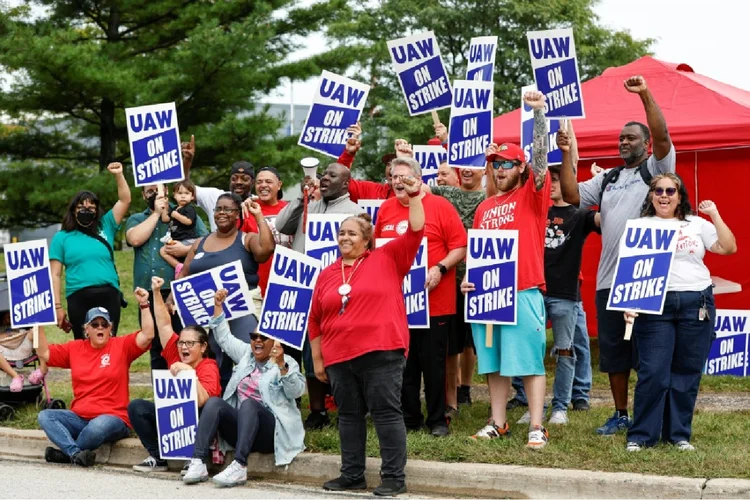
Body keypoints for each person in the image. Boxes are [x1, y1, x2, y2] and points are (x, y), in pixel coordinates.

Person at [559, 75, 676, 435]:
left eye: (631, 137)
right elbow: (571, 193)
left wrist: (644, 94)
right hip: (609, 280)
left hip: (645, 276)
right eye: (621, 138)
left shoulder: (655, 170)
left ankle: (653, 414)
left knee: (649, 355)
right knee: (614, 355)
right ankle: (621, 414)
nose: (624, 142)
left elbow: (663, 137)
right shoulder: (608, 178)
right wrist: (567, 153)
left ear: (645, 144)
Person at [309, 173, 425, 497]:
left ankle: (393, 478)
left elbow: (416, 229)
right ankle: (352, 474)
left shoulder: (388, 258)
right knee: (348, 416)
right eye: (341, 232)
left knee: (386, 413)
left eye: (352, 233)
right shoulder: (327, 274)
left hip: (381, 352)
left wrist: (414, 197)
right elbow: (315, 320)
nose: (345, 237)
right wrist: (319, 359)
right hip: (338, 358)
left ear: (366, 239)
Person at [462, 90, 550, 448]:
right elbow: (479, 253)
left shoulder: (532, 193)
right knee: (493, 363)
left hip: (524, 289)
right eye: (494, 164)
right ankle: (498, 422)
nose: (499, 170)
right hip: (488, 295)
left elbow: (542, 159)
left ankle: (537, 426)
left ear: (520, 168)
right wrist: (471, 279)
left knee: (529, 362)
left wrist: (539, 113)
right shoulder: (483, 209)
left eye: (506, 164)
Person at [623, 175, 736, 452]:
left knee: (687, 371)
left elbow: (728, 247)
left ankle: (678, 435)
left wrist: (714, 214)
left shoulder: (696, 224)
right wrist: (629, 302)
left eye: (670, 190)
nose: (664, 195)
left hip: (695, 302)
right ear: (651, 195)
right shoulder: (639, 226)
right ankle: (641, 435)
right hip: (654, 306)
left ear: (679, 195)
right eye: (658, 190)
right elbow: (630, 266)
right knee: (653, 371)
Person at [375, 157, 467, 437]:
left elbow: (460, 246)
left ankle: (438, 419)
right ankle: (409, 417)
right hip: (398, 305)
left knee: (434, 364)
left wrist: (440, 268)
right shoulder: (386, 209)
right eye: (393, 177)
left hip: (435, 302)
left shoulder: (439, 206)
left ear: (418, 178)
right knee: (404, 364)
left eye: (403, 176)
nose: (397, 182)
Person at [182, 288, 305, 487]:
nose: (257, 340)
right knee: (214, 403)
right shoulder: (246, 355)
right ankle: (198, 461)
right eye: (253, 336)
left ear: (273, 342)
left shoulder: (285, 362)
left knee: (249, 404)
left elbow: (296, 392)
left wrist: (282, 365)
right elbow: (224, 338)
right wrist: (218, 306)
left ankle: (239, 466)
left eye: (263, 337)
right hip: (242, 429)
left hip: (270, 433)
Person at [275, 162, 362, 430]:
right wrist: (302, 198)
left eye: (331, 175)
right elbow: (281, 225)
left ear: (346, 183)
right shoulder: (309, 207)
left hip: (336, 292)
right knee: (303, 351)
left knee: (335, 353)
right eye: (322, 175)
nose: (324, 178)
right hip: (302, 290)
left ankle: (346, 407)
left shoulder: (356, 213)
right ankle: (316, 410)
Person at [170, 194, 274, 389]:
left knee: (251, 358)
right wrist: (170, 297)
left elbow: (266, 249)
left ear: (237, 215)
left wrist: (258, 216)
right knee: (212, 363)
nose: (222, 213)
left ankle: (251, 409)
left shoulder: (246, 239)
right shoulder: (199, 243)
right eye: (218, 209)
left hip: (241, 310)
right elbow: (184, 273)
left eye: (228, 209)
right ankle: (214, 408)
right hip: (206, 313)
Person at [35, 299, 153, 466]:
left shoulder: (122, 346)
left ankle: (65, 455)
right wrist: (36, 323)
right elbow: (44, 353)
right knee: (45, 416)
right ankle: (74, 453)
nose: (100, 327)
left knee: (97, 427)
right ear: (86, 329)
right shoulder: (74, 348)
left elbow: (148, 335)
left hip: (114, 418)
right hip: (80, 417)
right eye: (95, 324)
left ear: (110, 328)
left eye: (104, 324)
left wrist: (144, 305)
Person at [424, 122, 490, 417]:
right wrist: (448, 142)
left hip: (480, 280)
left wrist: (487, 159)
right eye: (462, 164)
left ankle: (482, 396)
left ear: (484, 171)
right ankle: (450, 402)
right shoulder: (443, 194)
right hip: (450, 280)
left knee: (480, 344)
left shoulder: (488, 197)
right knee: (450, 347)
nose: (467, 169)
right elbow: (417, 186)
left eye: (474, 166)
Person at [128, 276, 222, 473]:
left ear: (203, 347)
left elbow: (204, 402)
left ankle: (195, 458)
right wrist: (155, 293)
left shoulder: (208, 366)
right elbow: (163, 325)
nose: (184, 347)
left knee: (203, 409)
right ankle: (157, 457)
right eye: (181, 342)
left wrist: (190, 373)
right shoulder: (174, 352)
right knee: (137, 407)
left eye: (190, 343)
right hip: (173, 421)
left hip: (197, 422)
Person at [126, 184, 208, 370]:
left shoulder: (185, 211)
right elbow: (135, 239)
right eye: (149, 191)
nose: (154, 194)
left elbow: (206, 242)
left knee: (185, 342)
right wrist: (157, 212)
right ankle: (162, 395)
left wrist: (185, 249)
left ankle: (188, 391)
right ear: (142, 194)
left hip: (180, 288)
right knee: (156, 345)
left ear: (167, 191)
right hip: (149, 292)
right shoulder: (136, 218)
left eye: (158, 189)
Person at [51, 162, 131, 340]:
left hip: (108, 293)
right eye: (81, 207)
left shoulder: (106, 225)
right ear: (73, 210)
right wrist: (57, 307)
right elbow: (55, 275)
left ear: (96, 211)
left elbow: (125, 200)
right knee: (83, 344)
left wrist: (118, 175)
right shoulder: (62, 237)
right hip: (78, 296)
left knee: (109, 343)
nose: (86, 211)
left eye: (91, 208)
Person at [239, 166, 293, 320]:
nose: (263, 185)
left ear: (279, 185)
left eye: (269, 182)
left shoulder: (291, 210)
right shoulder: (246, 211)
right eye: (259, 182)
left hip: (288, 284)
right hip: (257, 287)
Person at [181, 135, 255, 231]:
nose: (238, 182)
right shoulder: (215, 196)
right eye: (234, 178)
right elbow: (184, 188)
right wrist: (187, 161)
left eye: (244, 179)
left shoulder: (256, 204)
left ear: (253, 182)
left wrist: (253, 199)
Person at [336, 122, 395, 202]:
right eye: (388, 164)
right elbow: (340, 181)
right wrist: (348, 154)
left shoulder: (415, 196)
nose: (391, 168)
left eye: (398, 163)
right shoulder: (371, 191)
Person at [159, 180, 201, 273]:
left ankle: (189, 268)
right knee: (163, 251)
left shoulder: (189, 208)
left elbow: (189, 221)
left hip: (188, 239)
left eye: (186, 193)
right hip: (177, 239)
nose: (183, 196)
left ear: (192, 196)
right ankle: (179, 266)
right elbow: (165, 219)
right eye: (180, 193)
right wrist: (165, 207)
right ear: (174, 195)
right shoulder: (175, 209)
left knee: (189, 256)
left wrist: (176, 215)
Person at [0, 312, 47, 391]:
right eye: (6, 318)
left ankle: (43, 369)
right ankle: (16, 376)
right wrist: (10, 333)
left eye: (9, 317)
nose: (7, 320)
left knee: (36, 330)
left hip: (23, 348)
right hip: (4, 352)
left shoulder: (21, 323)